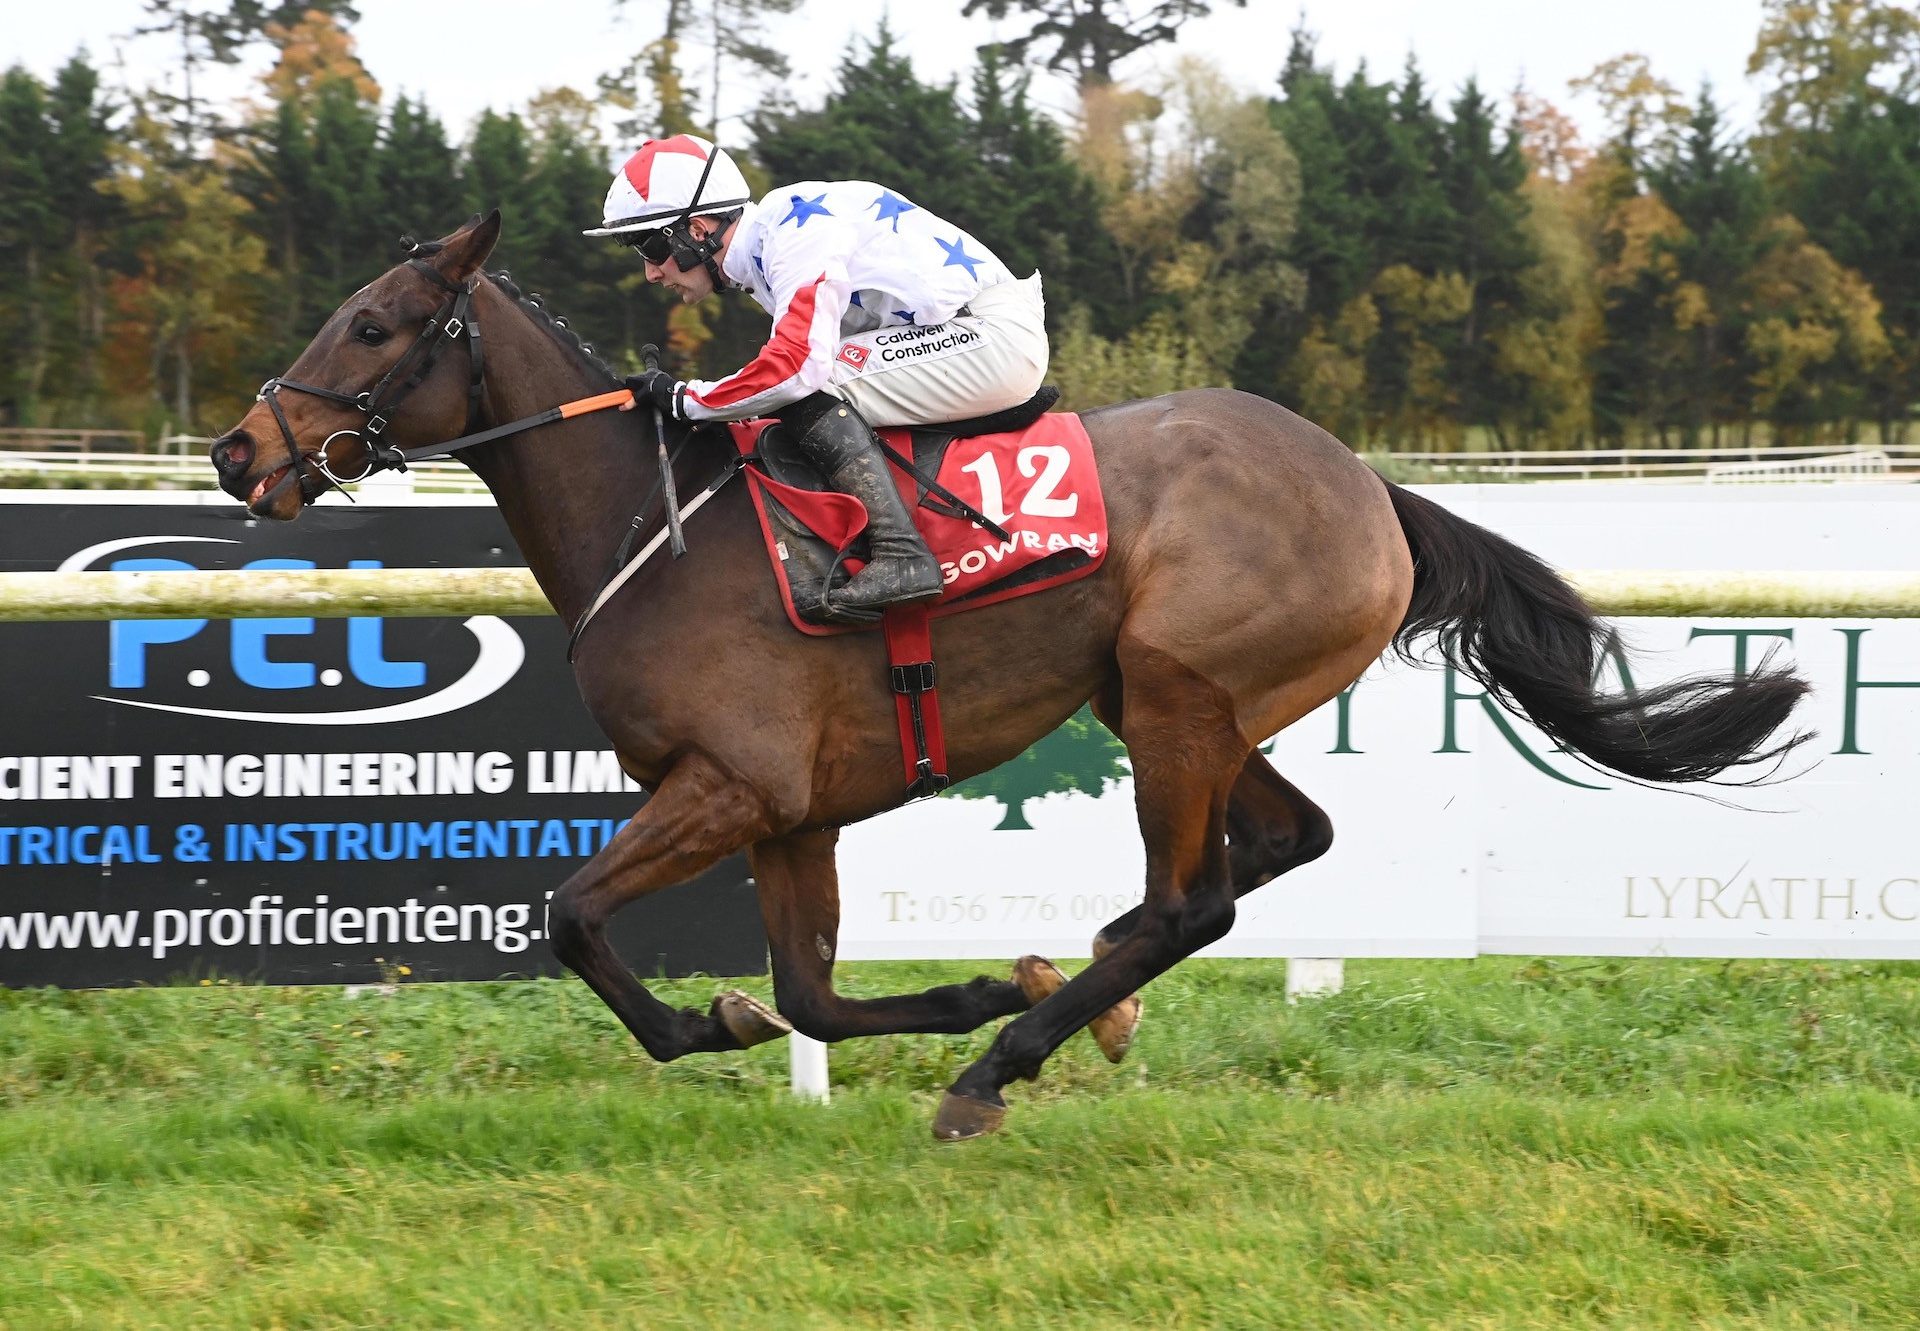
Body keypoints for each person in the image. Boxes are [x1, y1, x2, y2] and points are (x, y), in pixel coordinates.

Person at [584, 134, 1049, 625]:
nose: (650, 273)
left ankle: (902, 555)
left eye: (651, 247)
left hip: (988, 336)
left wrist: (684, 398)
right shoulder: (765, 252)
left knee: (809, 388)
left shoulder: (792, 230)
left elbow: (795, 369)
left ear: (697, 230)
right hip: (967, 338)